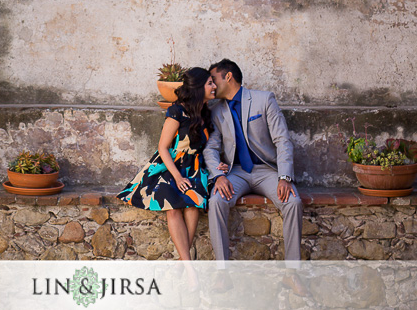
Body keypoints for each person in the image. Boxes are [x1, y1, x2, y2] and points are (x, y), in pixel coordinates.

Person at [117, 67, 226, 260]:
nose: (214, 86)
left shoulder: (206, 114)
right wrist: (177, 177)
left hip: (195, 167)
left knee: (194, 204)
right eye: (210, 83)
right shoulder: (177, 111)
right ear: (199, 87)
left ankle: (184, 261)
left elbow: (208, 149)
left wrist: (218, 165)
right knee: (173, 207)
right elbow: (163, 147)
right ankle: (189, 265)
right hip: (171, 166)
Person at [204, 59, 302, 261]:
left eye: (214, 79)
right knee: (215, 201)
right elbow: (211, 148)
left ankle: (293, 272)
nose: (212, 86)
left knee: (293, 202)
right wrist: (218, 176)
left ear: (228, 76)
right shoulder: (215, 111)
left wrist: (284, 177)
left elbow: (282, 139)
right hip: (236, 172)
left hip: (266, 171)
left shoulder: (264, 100)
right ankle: (223, 271)